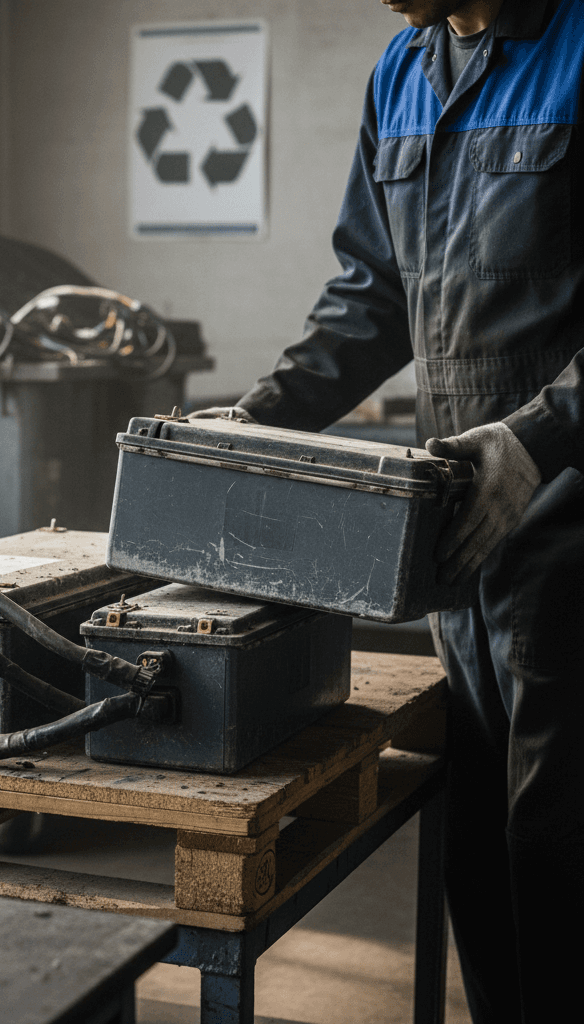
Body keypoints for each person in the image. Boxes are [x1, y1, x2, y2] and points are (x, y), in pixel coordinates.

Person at [195, 1, 584, 1021]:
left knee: (560, 838)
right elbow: (370, 297)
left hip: (571, 526)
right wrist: (253, 421)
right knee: (479, 842)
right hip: (457, 527)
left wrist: (537, 438)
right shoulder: (401, 74)